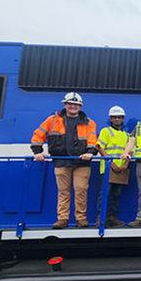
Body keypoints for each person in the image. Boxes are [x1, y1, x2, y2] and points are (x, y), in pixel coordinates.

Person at [30, 92, 97, 229]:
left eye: (76, 104)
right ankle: (63, 219)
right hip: (61, 161)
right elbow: (38, 135)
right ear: (65, 105)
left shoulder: (89, 123)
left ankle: (81, 219)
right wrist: (38, 152)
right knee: (63, 191)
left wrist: (90, 153)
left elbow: (93, 142)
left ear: (80, 106)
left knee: (81, 190)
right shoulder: (52, 120)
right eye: (70, 104)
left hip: (82, 163)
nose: (73, 106)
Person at [96, 105, 130, 227]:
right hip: (108, 168)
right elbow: (99, 147)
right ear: (110, 119)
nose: (117, 119)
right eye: (114, 117)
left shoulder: (126, 135)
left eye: (119, 117)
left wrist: (125, 165)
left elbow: (130, 152)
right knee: (105, 194)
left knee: (116, 195)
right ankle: (101, 219)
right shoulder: (106, 131)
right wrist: (111, 163)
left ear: (123, 119)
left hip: (121, 170)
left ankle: (111, 218)